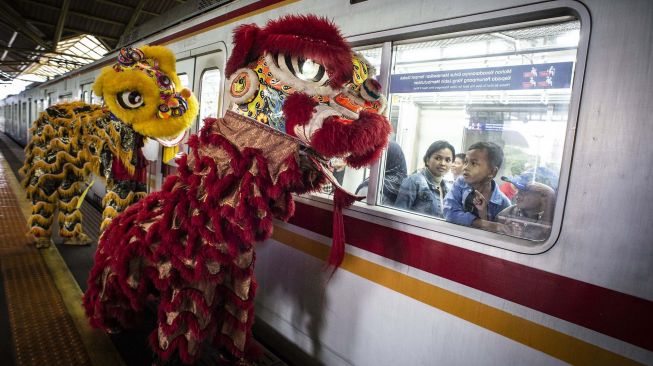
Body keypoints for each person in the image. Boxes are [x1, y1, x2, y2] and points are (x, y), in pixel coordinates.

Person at [443, 141, 511, 230]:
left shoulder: (503, 204)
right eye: (466, 162)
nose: (465, 167)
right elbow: (449, 212)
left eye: (474, 163)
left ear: (492, 172)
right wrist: (485, 224)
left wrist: (484, 215)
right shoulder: (461, 182)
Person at [394, 140, 454, 218]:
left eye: (448, 160)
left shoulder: (448, 188)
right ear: (427, 159)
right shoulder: (413, 181)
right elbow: (398, 215)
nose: (443, 163)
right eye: (438, 158)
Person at [356, 141, 407, 205]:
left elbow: (359, 211)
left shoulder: (372, 186)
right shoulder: (404, 187)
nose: (374, 159)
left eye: (378, 156)